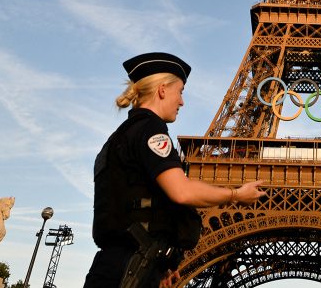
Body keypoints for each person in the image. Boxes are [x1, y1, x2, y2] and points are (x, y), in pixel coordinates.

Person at [83, 52, 266, 288]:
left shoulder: (118, 137)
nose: (181, 102)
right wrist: (236, 195)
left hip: (117, 264)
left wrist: (160, 266)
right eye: (180, 92)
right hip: (130, 267)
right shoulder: (150, 129)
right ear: (162, 90)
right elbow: (182, 192)